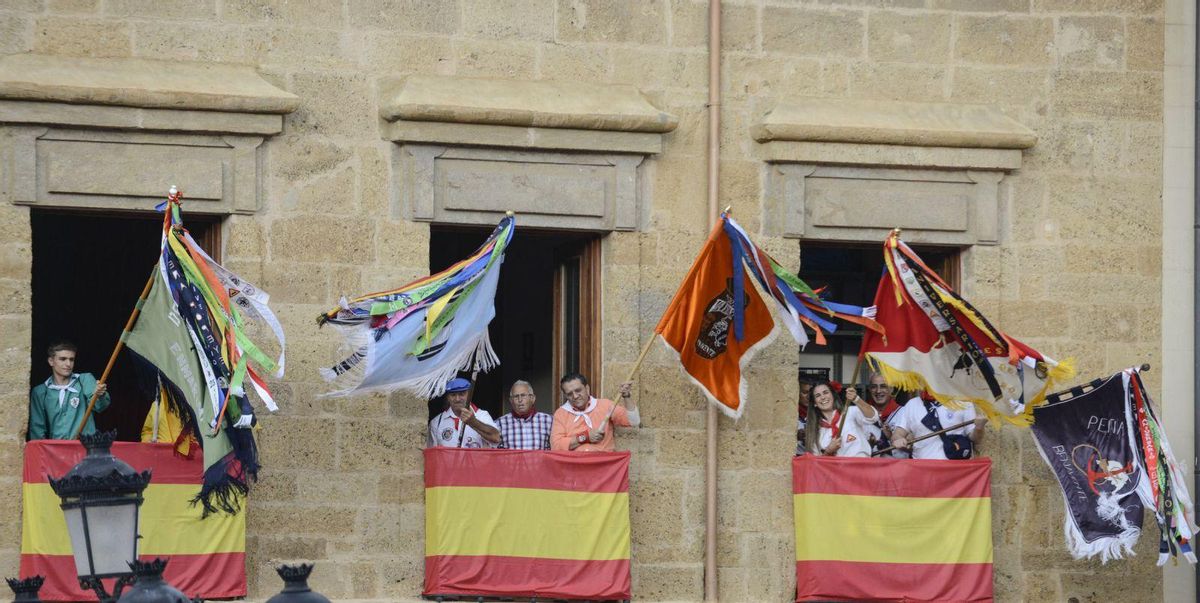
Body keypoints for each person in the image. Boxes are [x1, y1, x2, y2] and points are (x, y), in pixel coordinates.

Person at [28, 341, 110, 440]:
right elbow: (37, 428)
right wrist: (42, 453)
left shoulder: (84, 380)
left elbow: (99, 407)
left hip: (85, 449)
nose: (68, 364)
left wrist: (100, 395)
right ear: (51, 361)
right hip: (57, 450)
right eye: (63, 359)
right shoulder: (40, 392)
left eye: (71, 359)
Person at [551, 372, 639, 452]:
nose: (575, 396)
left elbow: (634, 421)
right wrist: (586, 437)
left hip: (603, 465)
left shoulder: (605, 405)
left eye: (578, 390)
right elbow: (556, 446)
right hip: (575, 466)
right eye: (569, 394)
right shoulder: (560, 413)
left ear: (587, 388)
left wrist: (626, 396)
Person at [888, 393, 987, 460]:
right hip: (922, 471)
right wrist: (898, 439)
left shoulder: (963, 402)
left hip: (956, 473)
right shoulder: (912, 404)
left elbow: (975, 439)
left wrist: (979, 428)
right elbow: (898, 433)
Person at [803, 381, 877, 457]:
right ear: (815, 403)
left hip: (861, 466)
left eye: (825, 392)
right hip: (836, 468)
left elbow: (873, 417)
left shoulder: (850, 412)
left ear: (833, 395)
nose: (823, 397)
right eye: (818, 395)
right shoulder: (814, 431)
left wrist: (856, 399)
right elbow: (816, 464)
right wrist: (828, 451)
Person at [426, 377, 501, 448]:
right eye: (453, 395)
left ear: (469, 395)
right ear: (448, 397)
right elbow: (432, 453)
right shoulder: (437, 422)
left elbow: (496, 438)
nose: (457, 399)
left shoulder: (482, 415)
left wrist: (473, 422)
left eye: (461, 394)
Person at [496, 380, 553, 450]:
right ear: (511, 401)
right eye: (516, 396)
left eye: (523, 395)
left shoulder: (548, 421)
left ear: (532, 398)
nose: (520, 400)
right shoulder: (500, 424)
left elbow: (556, 449)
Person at [861, 372, 904, 455]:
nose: (878, 391)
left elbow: (914, 446)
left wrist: (892, 437)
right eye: (874, 387)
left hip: (899, 465)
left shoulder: (904, 413)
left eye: (883, 386)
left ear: (891, 389)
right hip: (870, 465)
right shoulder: (861, 414)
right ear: (869, 389)